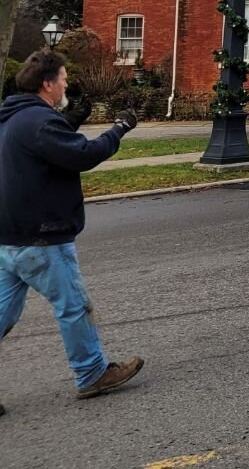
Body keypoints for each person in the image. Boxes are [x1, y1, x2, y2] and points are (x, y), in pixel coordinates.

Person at [0, 50, 143, 412]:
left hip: (8, 235)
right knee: (74, 306)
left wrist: (70, 120)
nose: (67, 82)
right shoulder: (38, 122)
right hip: (42, 233)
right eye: (63, 77)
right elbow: (81, 155)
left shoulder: (13, 117)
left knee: (2, 314)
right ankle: (92, 372)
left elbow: (45, 147)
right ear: (47, 84)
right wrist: (120, 128)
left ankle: (91, 370)